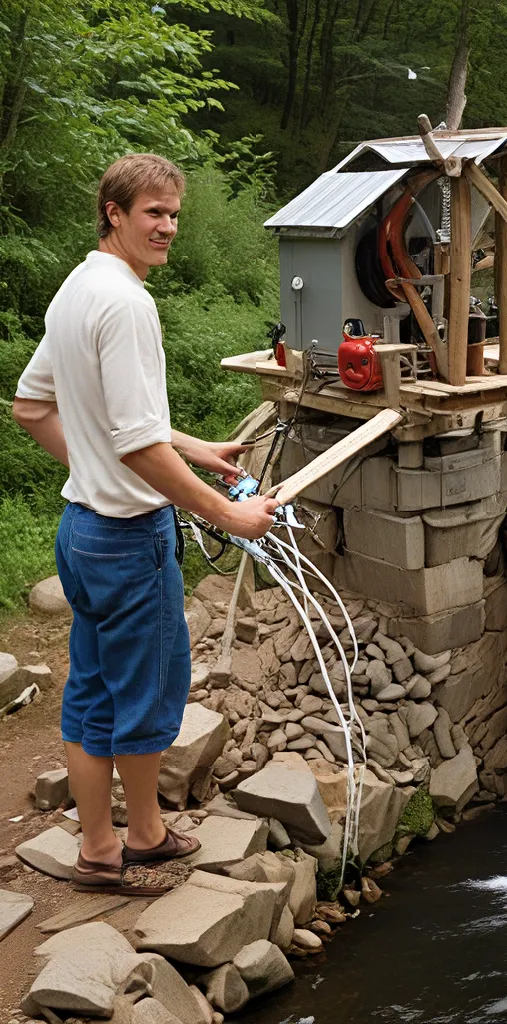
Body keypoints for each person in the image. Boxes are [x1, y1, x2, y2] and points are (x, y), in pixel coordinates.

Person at [12, 153, 279, 896]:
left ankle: (99, 847)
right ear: (114, 213)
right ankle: (143, 836)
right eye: (152, 213)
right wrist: (231, 514)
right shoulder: (128, 304)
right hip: (127, 541)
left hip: (80, 531)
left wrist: (188, 449)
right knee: (146, 696)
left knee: (92, 690)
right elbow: (132, 442)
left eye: (173, 214)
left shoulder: (78, 288)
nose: (166, 226)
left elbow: (36, 407)